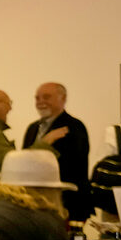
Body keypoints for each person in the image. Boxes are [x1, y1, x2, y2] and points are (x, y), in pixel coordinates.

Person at [23, 82, 90, 221]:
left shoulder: (74, 127)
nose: (41, 102)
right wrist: (45, 143)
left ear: (63, 99)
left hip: (66, 203)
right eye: (37, 98)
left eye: (46, 97)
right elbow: (24, 160)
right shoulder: (32, 128)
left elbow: (72, 165)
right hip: (35, 202)